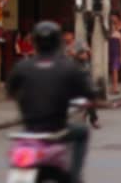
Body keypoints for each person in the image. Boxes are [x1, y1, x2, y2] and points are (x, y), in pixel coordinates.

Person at [7, 21, 98, 182]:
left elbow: (10, 91)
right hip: (57, 129)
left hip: (29, 131)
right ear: (58, 42)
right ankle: (75, 177)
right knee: (82, 132)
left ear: (34, 42)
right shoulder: (67, 67)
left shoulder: (22, 67)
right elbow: (89, 93)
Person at [63, 31, 100, 129]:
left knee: (89, 96)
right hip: (69, 75)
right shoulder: (62, 47)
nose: (66, 37)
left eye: (67, 34)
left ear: (72, 35)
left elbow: (86, 55)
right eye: (64, 35)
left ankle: (94, 119)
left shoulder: (79, 43)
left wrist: (74, 54)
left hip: (82, 74)